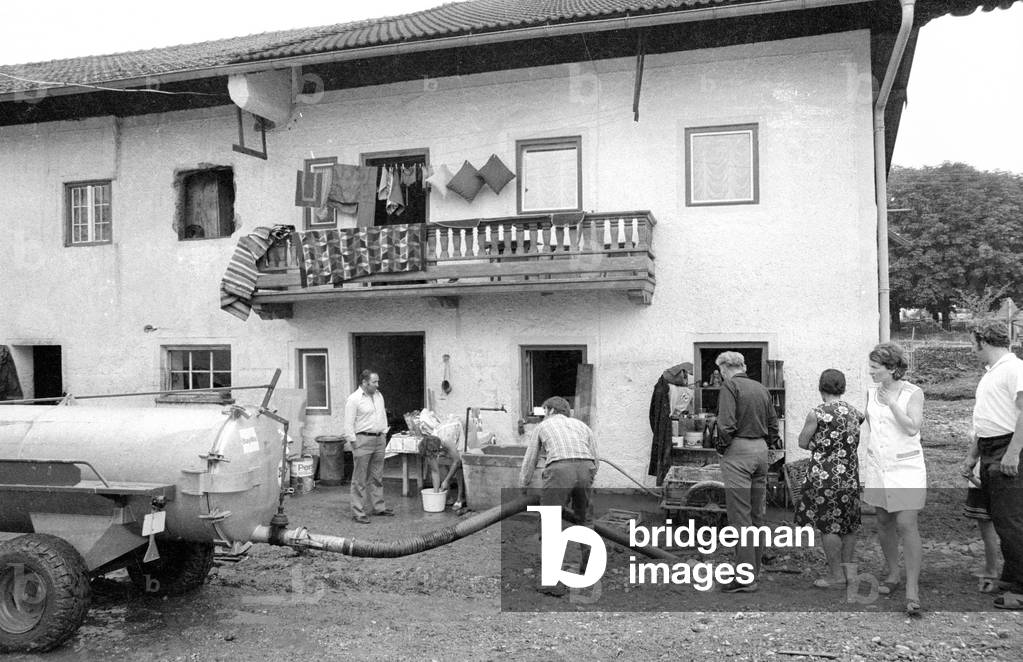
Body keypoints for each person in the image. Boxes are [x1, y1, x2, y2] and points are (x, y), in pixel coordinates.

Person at [959, 320, 1023, 610]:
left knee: (1011, 521)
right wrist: (974, 454)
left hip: (1006, 448)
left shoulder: (1014, 369)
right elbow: (987, 418)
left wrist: (1012, 454)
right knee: (1001, 518)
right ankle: (1011, 580)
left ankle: (1019, 589)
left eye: (973, 344)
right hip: (989, 448)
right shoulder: (992, 373)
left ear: (983, 342)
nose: (972, 350)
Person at [861, 342, 925, 616]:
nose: (871, 372)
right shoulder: (870, 392)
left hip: (907, 469)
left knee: (906, 522)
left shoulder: (913, 392)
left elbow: (912, 428)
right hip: (879, 467)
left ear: (892, 368)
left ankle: (913, 589)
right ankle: (893, 574)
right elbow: (873, 425)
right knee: (884, 521)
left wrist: (892, 405)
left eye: (875, 368)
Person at [714, 351, 781, 593]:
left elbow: (726, 425)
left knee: (740, 518)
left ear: (723, 369)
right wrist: (770, 445)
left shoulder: (730, 386)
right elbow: (773, 425)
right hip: (761, 451)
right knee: (757, 516)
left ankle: (744, 577)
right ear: (742, 366)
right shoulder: (761, 388)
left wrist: (722, 448)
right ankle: (754, 572)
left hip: (738, 451)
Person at [520, 396, 599, 590]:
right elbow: (595, 459)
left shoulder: (543, 427)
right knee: (584, 519)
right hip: (585, 467)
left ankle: (551, 583)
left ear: (550, 411)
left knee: (550, 523)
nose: (544, 415)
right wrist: (584, 479)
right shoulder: (582, 426)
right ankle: (589, 570)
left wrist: (524, 483)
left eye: (545, 411)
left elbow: (530, 459)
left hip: (559, 469)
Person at [794, 369, 864, 589]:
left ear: (821, 387)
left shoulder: (818, 413)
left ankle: (835, 576)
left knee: (829, 526)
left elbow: (803, 442)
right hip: (850, 475)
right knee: (849, 525)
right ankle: (850, 574)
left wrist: (819, 445)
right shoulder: (856, 413)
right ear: (843, 388)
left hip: (825, 477)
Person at [343, 369, 394, 524]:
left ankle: (379, 507)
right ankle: (358, 511)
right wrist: (354, 443)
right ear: (365, 382)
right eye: (374, 382)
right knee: (360, 478)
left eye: (378, 381)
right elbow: (348, 424)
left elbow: (382, 416)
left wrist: (384, 432)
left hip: (379, 439)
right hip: (362, 440)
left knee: (377, 476)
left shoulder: (379, 396)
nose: (377, 385)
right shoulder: (354, 399)